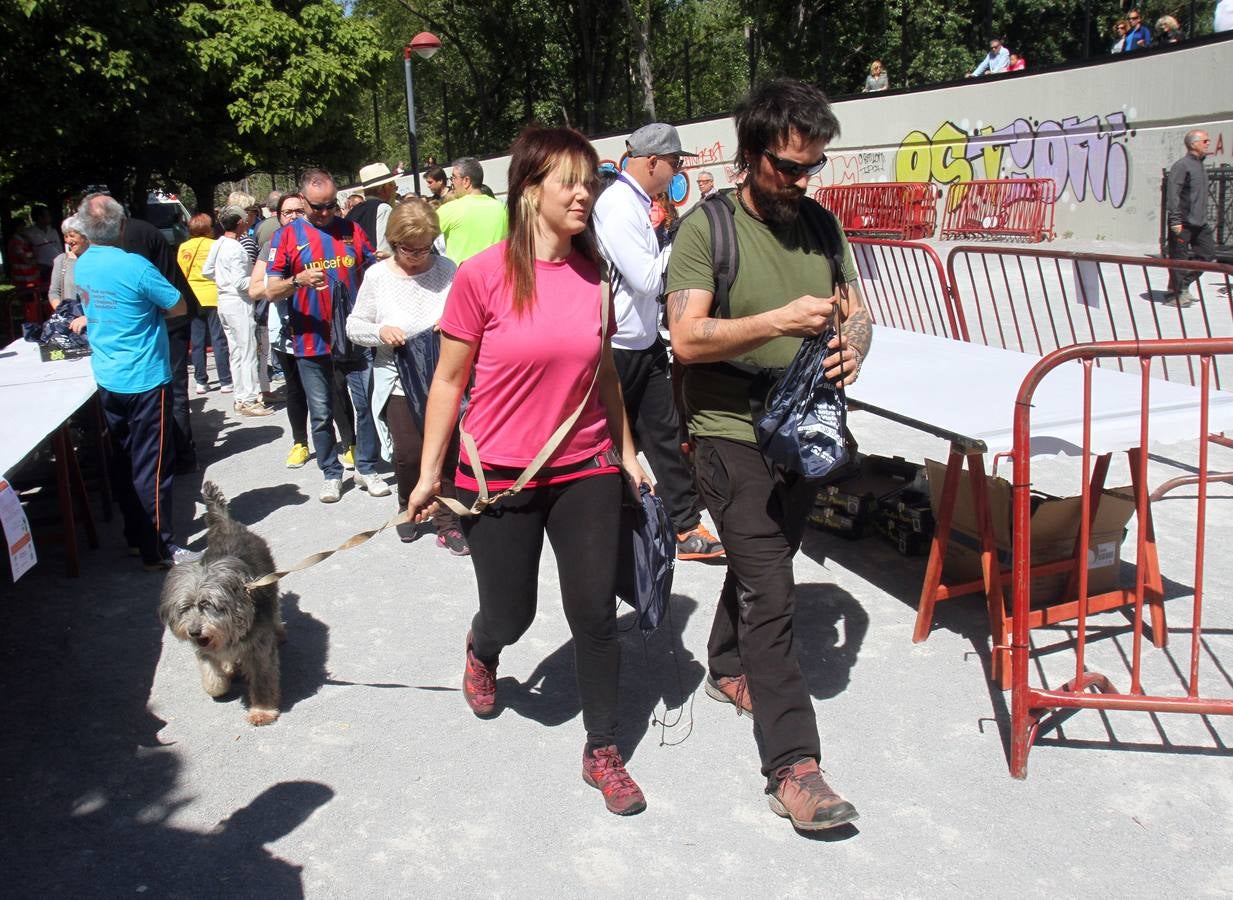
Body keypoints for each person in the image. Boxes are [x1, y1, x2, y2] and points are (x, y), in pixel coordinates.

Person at [406, 126, 651, 817]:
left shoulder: (593, 275)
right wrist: (429, 475)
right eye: (568, 181)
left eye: (589, 181)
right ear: (529, 190)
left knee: (594, 612)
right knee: (512, 612)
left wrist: (627, 452)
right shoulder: (482, 276)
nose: (583, 194)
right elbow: (448, 382)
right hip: (497, 476)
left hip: (584, 466)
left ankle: (602, 748)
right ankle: (483, 649)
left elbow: (605, 373)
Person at [664, 78, 872, 832]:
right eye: (787, 166)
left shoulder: (820, 224)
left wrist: (852, 349)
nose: (801, 181)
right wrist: (778, 321)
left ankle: (727, 666)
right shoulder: (706, 229)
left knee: (768, 561)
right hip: (726, 425)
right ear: (750, 156)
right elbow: (686, 338)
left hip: (803, 428)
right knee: (773, 587)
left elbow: (858, 313)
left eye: (812, 166)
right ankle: (794, 766)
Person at [592, 122, 725, 561]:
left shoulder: (635, 201)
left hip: (643, 342)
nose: (677, 172)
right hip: (616, 349)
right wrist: (688, 241)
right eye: (674, 163)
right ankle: (607, 535)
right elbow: (649, 279)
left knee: (665, 435)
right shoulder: (617, 205)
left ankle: (685, 527)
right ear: (652, 161)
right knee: (609, 447)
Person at [71, 194, 198, 569]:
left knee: (125, 460)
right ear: (122, 225)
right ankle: (158, 548)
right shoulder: (134, 265)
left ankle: (135, 537)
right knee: (153, 467)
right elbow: (177, 304)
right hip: (143, 377)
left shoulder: (83, 263)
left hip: (108, 375)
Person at [345, 199, 468, 553]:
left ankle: (448, 523)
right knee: (410, 454)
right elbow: (354, 326)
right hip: (398, 378)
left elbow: (466, 314)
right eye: (408, 249)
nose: (416, 256)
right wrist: (381, 331)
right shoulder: (378, 276)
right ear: (394, 242)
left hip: (445, 375)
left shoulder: (447, 268)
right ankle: (407, 506)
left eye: (424, 248)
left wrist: (451, 323)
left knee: (447, 452)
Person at [265, 168, 388, 503]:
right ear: (303, 200)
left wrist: (385, 261)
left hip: (354, 338)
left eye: (330, 205)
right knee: (321, 413)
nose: (324, 212)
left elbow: (372, 268)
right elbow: (270, 290)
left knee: (366, 407)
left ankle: (366, 467)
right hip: (310, 340)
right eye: (317, 206)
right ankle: (331, 473)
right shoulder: (286, 236)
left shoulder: (351, 229)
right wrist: (298, 281)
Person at [249, 193, 327, 468]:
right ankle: (300, 443)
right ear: (278, 216)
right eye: (287, 212)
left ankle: (347, 444)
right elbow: (255, 289)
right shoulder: (272, 244)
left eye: (298, 211)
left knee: (333, 387)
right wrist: (291, 283)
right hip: (287, 329)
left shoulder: (321, 239)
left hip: (321, 325)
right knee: (295, 389)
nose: (293, 216)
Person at [203, 206, 273, 417]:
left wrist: (222, 281)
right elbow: (240, 282)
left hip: (223, 301)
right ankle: (249, 400)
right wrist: (265, 281)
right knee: (248, 351)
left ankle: (241, 397)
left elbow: (207, 271)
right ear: (240, 223)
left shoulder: (219, 243)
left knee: (237, 353)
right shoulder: (236, 248)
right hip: (238, 303)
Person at [179, 213, 232, 396]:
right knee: (218, 339)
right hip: (213, 295)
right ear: (208, 228)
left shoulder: (184, 247)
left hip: (193, 297)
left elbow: (181, 272)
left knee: (197, 341)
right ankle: (225, 380)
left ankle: (201, 381)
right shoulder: (215, 245)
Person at [1164, 130, 1214, 308]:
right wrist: (1175, 220)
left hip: (1200, 223)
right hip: (1183, 223)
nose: (1208, 143)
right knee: (1180, 258)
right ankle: (1176, 295)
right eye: (1205, 141)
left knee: (1208, 255)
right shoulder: (1182, 165)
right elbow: (1173, 194)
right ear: (1193, 144)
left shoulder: (1199, 165)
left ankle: (1182, 285)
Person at [436, 156, 508, 263]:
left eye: (454, 178)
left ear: (466, 181)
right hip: (495, 271)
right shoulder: (501, 208)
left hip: (461, 272)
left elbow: (419, 235)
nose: (452, 183)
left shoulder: (450, 209)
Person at [346, 162, 397, 257]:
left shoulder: (353, 211)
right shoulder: (384, 208)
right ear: (385, 188)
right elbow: (384, 250)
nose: (395, 191)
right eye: (394, 187)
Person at [48, 216, 88, 311]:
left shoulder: (96, 259)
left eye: (72, 236)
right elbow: (54, 292)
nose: (68, 240)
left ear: (85, 236)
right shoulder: (61, 260)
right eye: (66, 236)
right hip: (70, 317)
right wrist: (63, 312)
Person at [21, 205, 61, 285]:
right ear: (40, 218)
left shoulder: (53, 231)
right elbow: (26, 252)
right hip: (42, 269)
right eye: (47, 215)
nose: (50, 218)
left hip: (57, 267)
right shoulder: (29, 233)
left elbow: (59, 248)